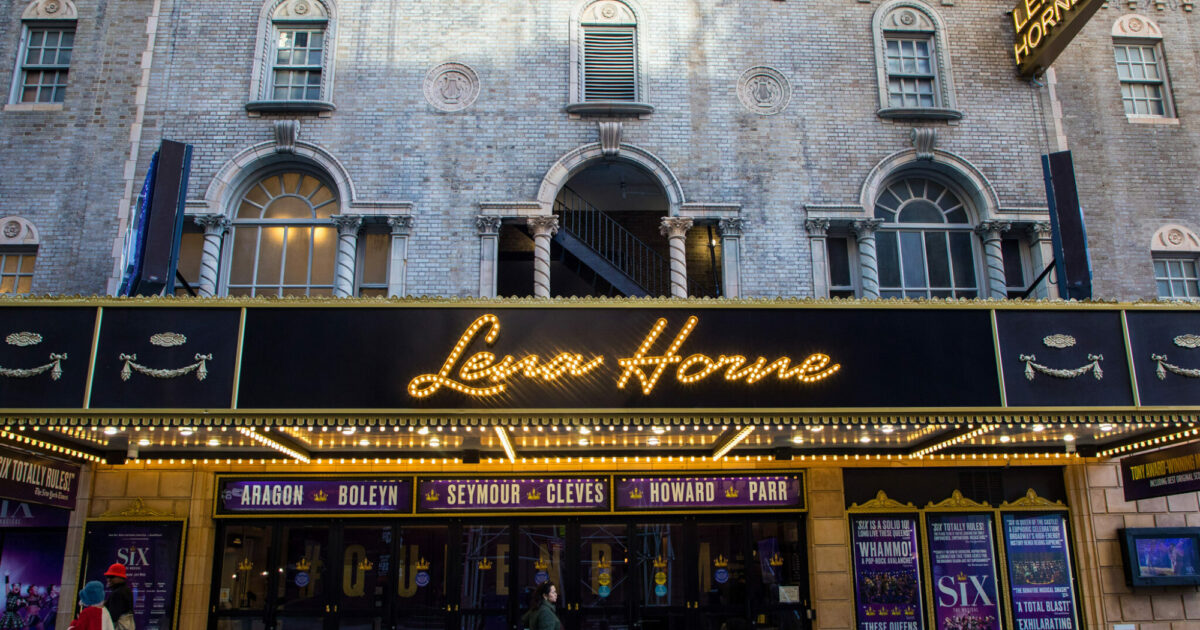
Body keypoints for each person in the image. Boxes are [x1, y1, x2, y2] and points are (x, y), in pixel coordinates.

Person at [103, 564, 134, 630]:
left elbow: (113, 617)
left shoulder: (117, 593)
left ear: (121, 578)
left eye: (111, 576)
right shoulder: (127, 590)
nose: (108, 579)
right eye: (107, 577)